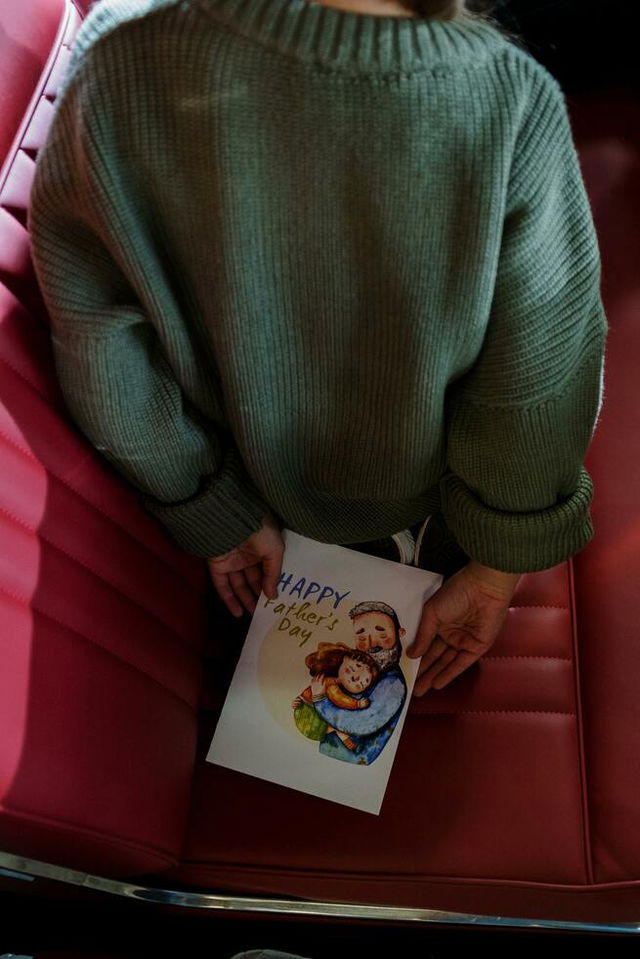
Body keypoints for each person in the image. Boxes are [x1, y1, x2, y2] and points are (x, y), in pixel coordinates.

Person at [29, 0, 607, 695]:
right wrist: (495, 564)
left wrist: (214, 512)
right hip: (437, 517)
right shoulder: (512, 100)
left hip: (252, 494)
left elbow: (100, 346)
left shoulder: (116, 60)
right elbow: (542, 374)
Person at [311, 601, 408, 763]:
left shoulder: (392, 683)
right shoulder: (358, 666)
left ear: (400, 633)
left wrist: (320, 701)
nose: (371, 645)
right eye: (362, 637)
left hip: (351, 757)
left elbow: (361, 724)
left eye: (382, 635)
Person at [292, 643, 380, 755]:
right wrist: (357, 704)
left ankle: (344, 738)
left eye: (364, 682)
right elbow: (341, 700)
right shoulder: (332, 685)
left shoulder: (334, 683)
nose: (357, 677)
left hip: (307, 717)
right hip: (310, 717)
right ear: (345, 659)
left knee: (336, 724)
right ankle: (346, 739)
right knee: (336, 726)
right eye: (355, 667)